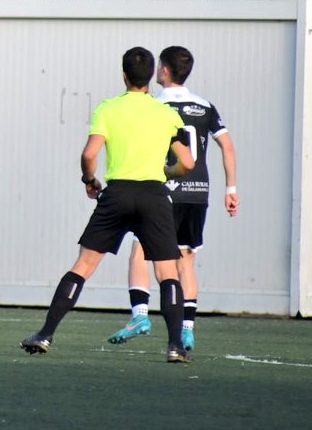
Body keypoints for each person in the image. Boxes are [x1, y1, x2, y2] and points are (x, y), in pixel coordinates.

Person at [20, 46, 196, 363]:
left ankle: (45, 334)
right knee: (167, 273)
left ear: (124, 75)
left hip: (117, 194)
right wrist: (162, 170)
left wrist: (90, 181)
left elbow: (89, 155)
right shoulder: (166, 113)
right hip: (154, 196)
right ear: (151, 77)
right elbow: (186, 162)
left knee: (83, 266)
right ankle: (174, 347)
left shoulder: (108, 109)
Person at [107, 46, 239, 352]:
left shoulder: (155, 104)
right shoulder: (205, 106)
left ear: (163, 71)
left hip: (165, 190)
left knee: (140, 250)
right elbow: (227, 146)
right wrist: (231, 190)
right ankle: (187, 330)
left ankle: (139, 315)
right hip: (198, 194)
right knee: (186, 261)